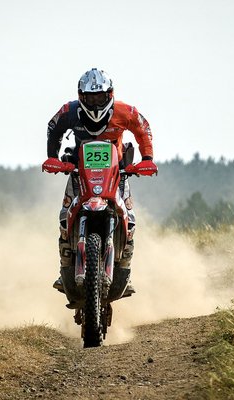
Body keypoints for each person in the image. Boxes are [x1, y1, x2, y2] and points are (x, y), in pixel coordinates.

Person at [42, 68, 157, 296]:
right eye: (90, 98)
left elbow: (143, 128)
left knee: (130, 220)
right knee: (65, 216)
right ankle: (65, 267)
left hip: (117, 173)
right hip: (79, 173)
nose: (95, 103)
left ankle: (124, 268)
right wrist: (53, 157)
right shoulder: (69, 111)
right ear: (81, 97)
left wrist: (147, 159)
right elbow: (53, 128)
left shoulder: (125, 111)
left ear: (110, 95)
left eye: (100, 97)